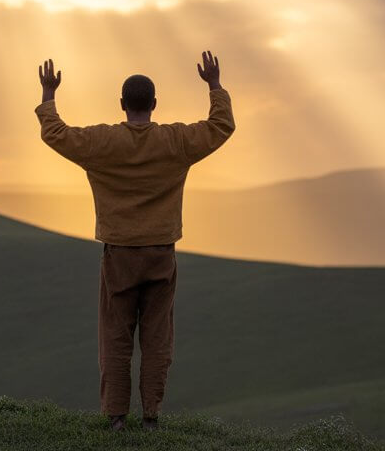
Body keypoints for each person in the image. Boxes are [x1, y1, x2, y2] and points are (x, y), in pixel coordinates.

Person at [34, 51, 235, 432]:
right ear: (154, 105)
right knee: (158, 338)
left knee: (115, 337)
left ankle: (115, 419)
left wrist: (49, 94)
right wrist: (213, 84)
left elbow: (55, 133)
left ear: (122, 105)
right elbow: (220, 126)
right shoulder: (174, 141)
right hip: (161, 253)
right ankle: (151, 418)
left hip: (119, 254)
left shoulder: (103, 143)